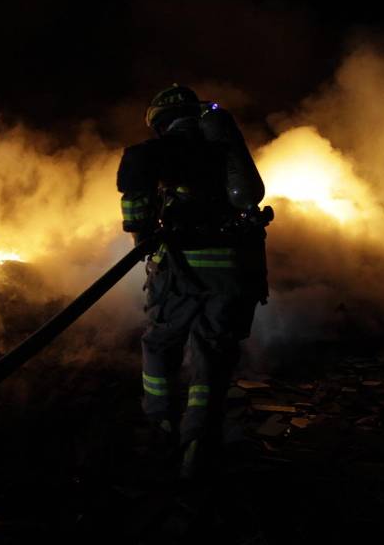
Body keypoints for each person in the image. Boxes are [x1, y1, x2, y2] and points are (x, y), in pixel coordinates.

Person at [116, 84, 271, 479]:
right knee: (213, 355)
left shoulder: (166, 150)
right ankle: (198, 441)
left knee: (160, 345)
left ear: (160, 120)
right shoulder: (224, 151)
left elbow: (135, 187)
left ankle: (161, 427)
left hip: (182, 272)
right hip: (234, 272)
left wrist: (140, 232)